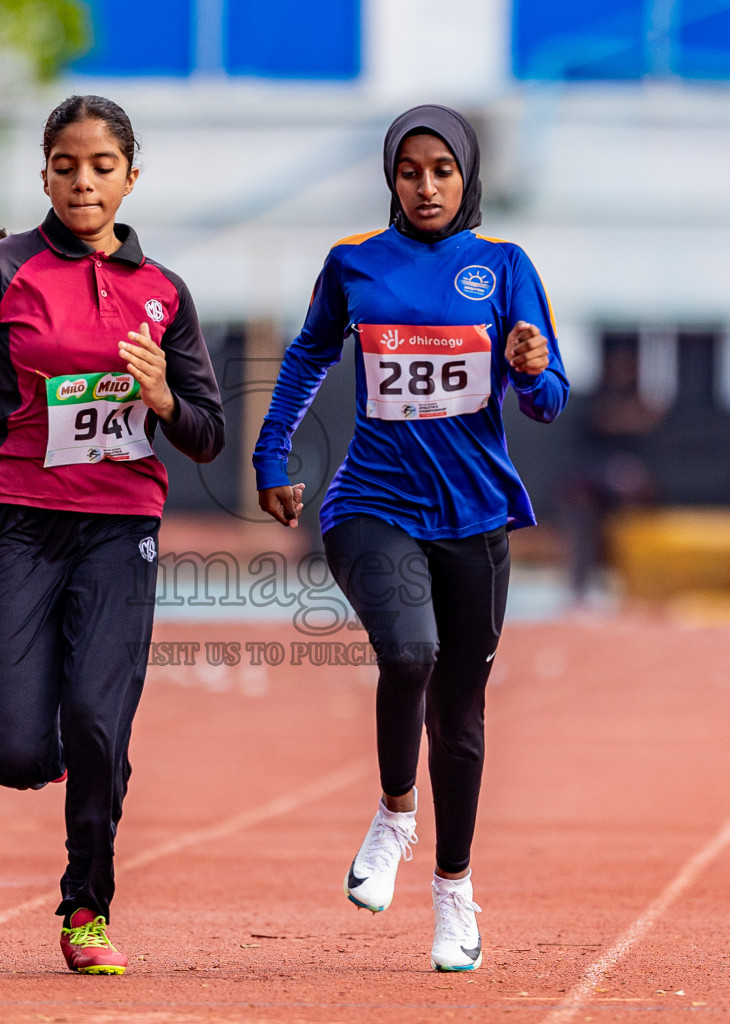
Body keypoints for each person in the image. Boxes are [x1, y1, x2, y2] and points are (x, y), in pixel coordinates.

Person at [0, 94, 224, 975]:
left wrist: (163, 398)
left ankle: (87, 905)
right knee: (14, 754)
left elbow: (206, 431)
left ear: (130, 177)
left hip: (121, 528)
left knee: (96, 718)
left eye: (102, 167)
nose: (83, 183)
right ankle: (86, 760)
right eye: (66, 166)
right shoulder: (3, 274)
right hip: (10, 525)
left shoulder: (163, 294)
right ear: (44, 172)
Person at [252, 104, 567, 972]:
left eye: (442, 171)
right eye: (409, 171)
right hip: (370, 505)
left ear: (467, 179)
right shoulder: (355, 263)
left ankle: (454, 892)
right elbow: (307, 355)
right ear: (390, 178)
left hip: (474, 515)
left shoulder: (504, 268)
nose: (425, 186)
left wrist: (535, 370)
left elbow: (547, 398)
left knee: (461, 720)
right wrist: (271, 449)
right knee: (410, 654)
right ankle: (395, 814)